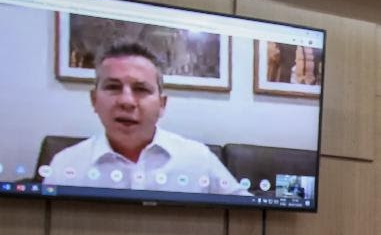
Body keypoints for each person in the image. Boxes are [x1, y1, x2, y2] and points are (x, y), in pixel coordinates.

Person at [43, 42, 250, 196]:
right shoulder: (65, 165)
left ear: (162, 104)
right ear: (94, 100)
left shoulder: (198, 159)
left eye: (141, 89)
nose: (127, 101)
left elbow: (250, 219)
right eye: (113, 87)